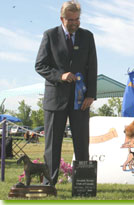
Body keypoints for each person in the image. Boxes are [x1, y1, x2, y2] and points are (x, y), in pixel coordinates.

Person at [35, 1, 98, 185]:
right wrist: (59, 76)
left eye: (77, 19)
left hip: (81, 100)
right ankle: (49, 184)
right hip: (55, 99)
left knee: (81, 144)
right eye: (70, 20)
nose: (74, 23)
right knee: (52, 146)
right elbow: (40, 65)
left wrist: (91, 95)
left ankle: (83, 185)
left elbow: (92, 67)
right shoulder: (49, 35)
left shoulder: (88, 37)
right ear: (62, 18)